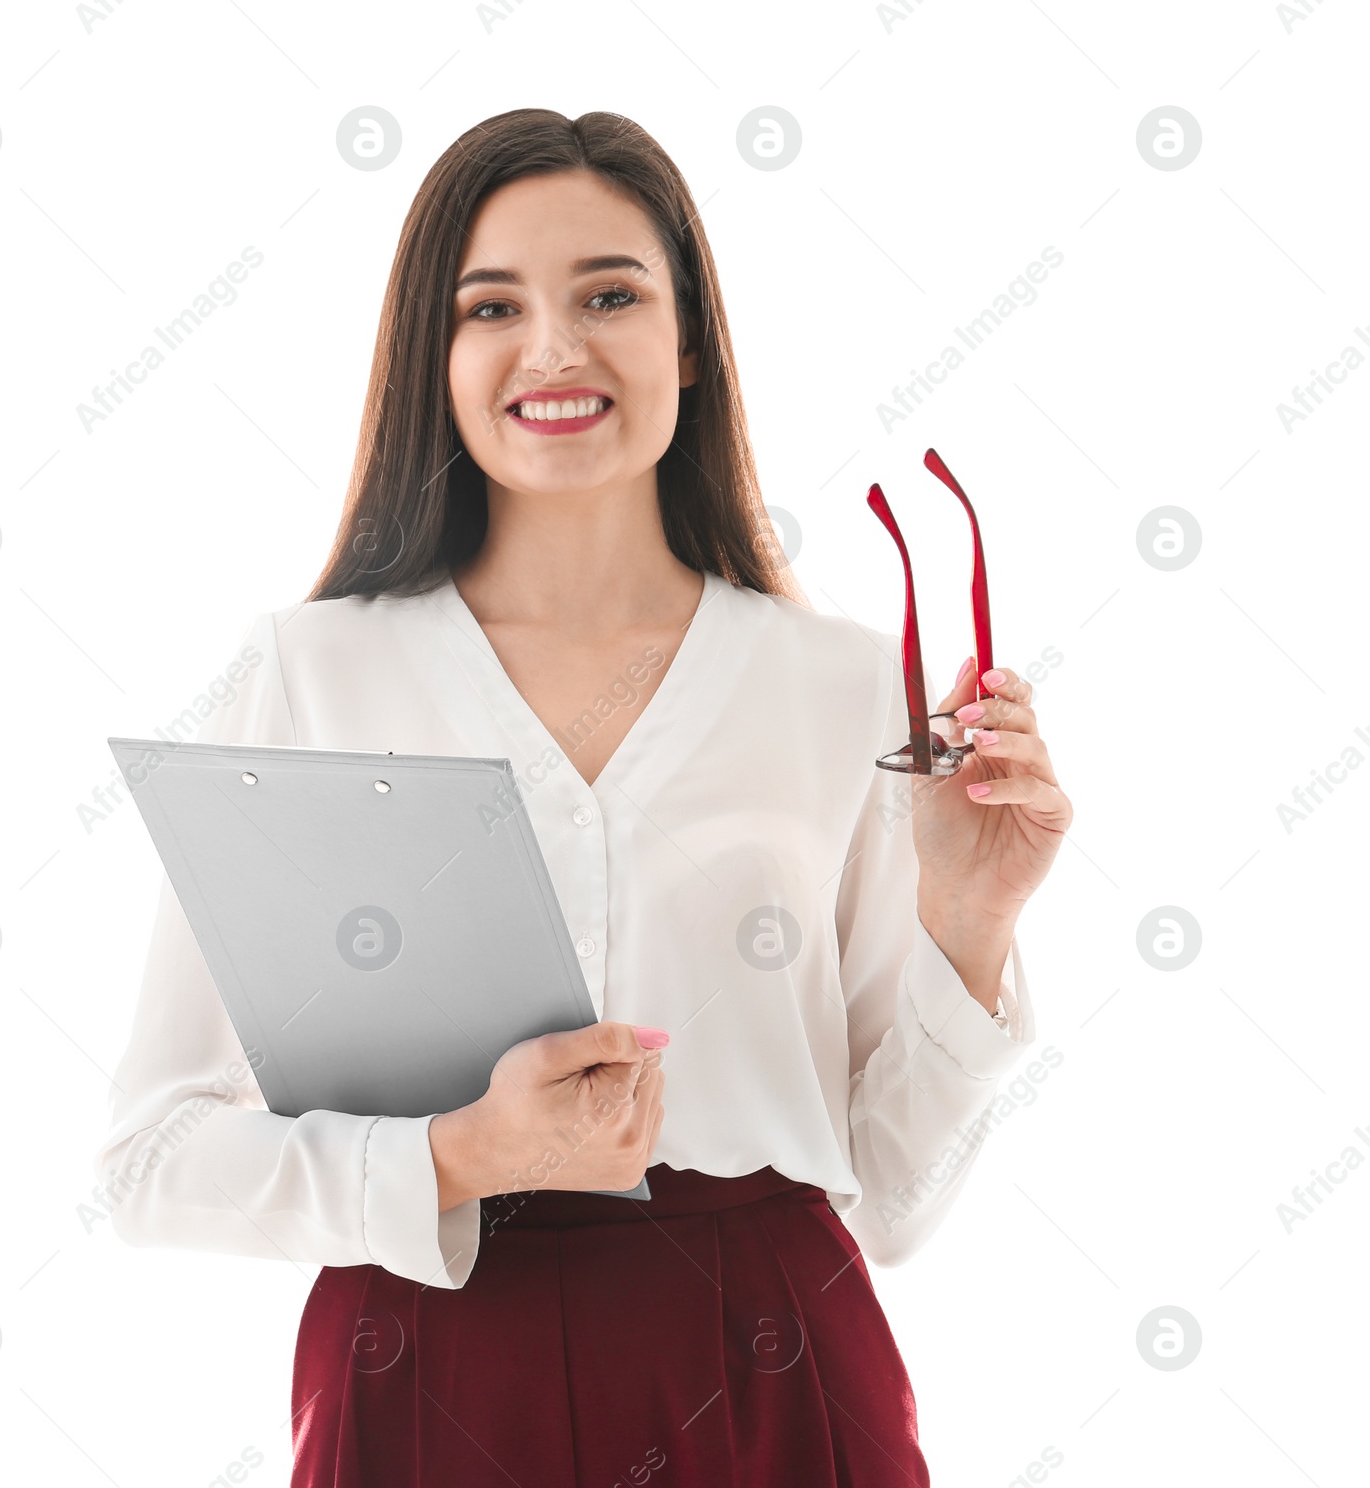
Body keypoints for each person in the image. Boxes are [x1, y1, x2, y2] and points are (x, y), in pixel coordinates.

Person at [95, 108, 1073, 1487]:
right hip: (424, 1371)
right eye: (490, 306)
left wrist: (971, 922)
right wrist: (452, 1155)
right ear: (433, 359)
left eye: (610, 293)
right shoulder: (311, 673)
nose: (553, 349)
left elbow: (891, 1201)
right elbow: (153, 1159)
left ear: (688, 342)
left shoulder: (842, 686)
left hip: (774, 1368)